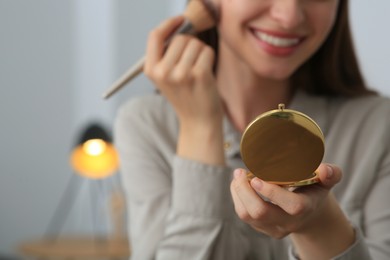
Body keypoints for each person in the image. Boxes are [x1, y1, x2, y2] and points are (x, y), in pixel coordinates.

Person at [114, 0, 390, 259]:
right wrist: (201, 129)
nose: (289, 16)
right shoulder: (145, 123)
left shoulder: (379, 126)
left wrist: (319, 225)